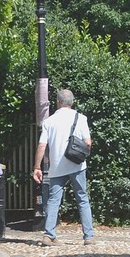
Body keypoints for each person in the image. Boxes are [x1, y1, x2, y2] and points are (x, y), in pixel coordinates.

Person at [32, 89, 95, 247]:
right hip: (77, 165)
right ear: (72, 102)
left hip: (56, 167)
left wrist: (37, 167)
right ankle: (88, 236)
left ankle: (49, 235)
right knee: (82, 198)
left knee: (53, 200)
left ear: (58, 102)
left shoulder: (49, 121)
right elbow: (88, 143)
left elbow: (41, 145)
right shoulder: (80, 118)